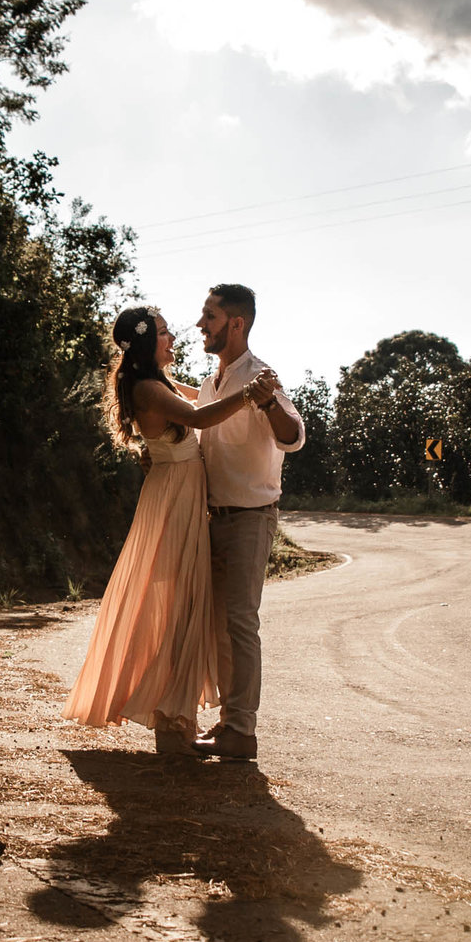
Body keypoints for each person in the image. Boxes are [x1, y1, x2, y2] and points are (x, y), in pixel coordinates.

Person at [62, 305, 281, 758]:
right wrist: (248, 396)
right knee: (176, 610)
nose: (173, 338)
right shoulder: (146, 386)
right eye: (164, 333)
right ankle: (170, 720)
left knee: (184, 609)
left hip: (182, 497)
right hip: (174, 501)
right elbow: (200, 420)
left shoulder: (158, 383)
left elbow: (199, 404)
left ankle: (176, 719)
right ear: (146, 342)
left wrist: (251, 390)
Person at [192, 284, 303, 762]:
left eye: (210, 317)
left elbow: (295, 437)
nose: (201, 325)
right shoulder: (211, 382)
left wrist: (268, 403)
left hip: (250, 518)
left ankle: (242, 731)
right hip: (211, 518)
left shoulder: (262, 379)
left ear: (236, 324)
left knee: (240, 623)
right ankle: (228, 724)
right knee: (219, 625)